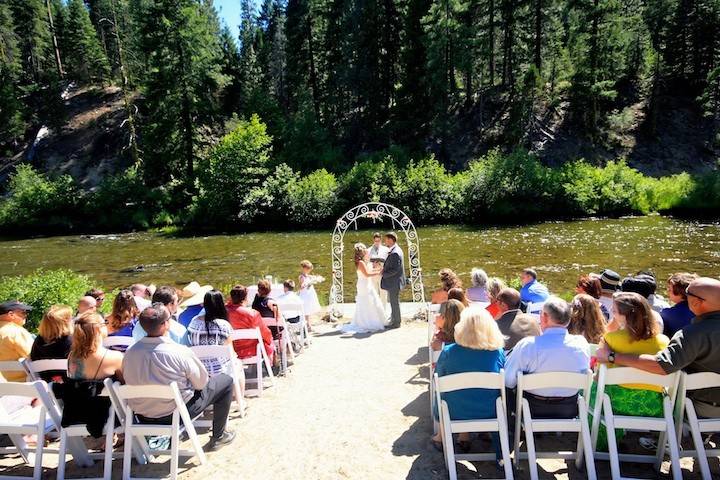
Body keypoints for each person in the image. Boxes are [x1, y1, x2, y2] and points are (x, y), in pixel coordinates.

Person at [596, 277, 720, 419]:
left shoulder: (692, 334)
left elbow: (661, 365)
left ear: (697, 302)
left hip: (701, 407)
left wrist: (612, 356)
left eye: (687, 294)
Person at [123, 304, 236, 451]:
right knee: (226, 381)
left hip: (142, 416)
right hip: (175, 414)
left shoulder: (130, 353)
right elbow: (201, 384)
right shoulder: (179, 351)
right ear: (165, 324)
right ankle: (219, 436)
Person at [593, 292, 670, 450]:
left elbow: (599, 376)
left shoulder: (612, 340)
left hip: (616, 405)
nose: (612, 314)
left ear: (624, 316)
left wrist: (608, 336)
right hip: (653, 407)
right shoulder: (664, 341)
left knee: (591, 389)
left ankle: (601, 444)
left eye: (614, 311)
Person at [431, 307, 505, 453]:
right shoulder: (497, 353)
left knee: (444, 393)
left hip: (455, 411)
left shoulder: (449, 352)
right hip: (489, 411)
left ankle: (442, 436)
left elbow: (437, 381)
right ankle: (470, 435)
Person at [505, 297, 590, 421]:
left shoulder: (528, 345)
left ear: (544, 317)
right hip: (568, 409)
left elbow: (508, 380)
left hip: (532, 409)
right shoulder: (582, 344)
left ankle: (511, 429)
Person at [60, 312, 124, 440]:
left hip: (76, 413)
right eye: (104, 322)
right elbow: (124, 386)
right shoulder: (114, 357)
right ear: (98, 329)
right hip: (105, 416)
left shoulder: (71, 357)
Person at [340, 243, 386, 333]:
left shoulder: (364, 261)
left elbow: (369, 271)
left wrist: (378, 270)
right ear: (362, 252)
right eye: (365, 249)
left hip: (367, 284)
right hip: (364, 285)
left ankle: (374, 320)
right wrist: (378, 273)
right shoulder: (360, 263)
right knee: (366, 302)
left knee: (372, 301)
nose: (366, 251)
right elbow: (367, 274)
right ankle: (366, 322)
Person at [188, 290, 234, 376]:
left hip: (200, 371)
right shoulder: (223, 325)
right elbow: (230, 352)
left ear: (204, 304)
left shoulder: (194, 322)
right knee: (238, 365)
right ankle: (237, 390)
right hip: (220, 371)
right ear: (221, 304)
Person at [225, 285, 274, 361]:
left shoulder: (224, 311)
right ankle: (271, 365)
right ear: (245, 298)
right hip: (251, 350)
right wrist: (270, 341)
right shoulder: (252, 314)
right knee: (269, 342)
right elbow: (265, 333)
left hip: (231, 349)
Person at [30, 305, 74, 382]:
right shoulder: (71, 341)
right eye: (71, 318)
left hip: (47, 385)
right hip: (69, 386)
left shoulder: (38, 341)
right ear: (66, 322)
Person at [0, 301, 34, 381]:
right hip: (28, 384)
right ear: (11, 315)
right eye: (23, 312)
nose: (25, 315)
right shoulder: (16, 332)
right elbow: (33, 357)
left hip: (5, 385)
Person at [661, 272, 698, 338]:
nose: (667, 291)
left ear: (680, 293)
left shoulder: (667, 314)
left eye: (669, 289)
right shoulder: (704, 310)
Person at [381, 232, 406, 329]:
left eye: (386, 239)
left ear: (391, 240)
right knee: (393, 301)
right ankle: (394, 319)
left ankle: (396, 322)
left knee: (394, 302)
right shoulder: (395, 249)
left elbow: (395, 269)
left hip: (394, 282)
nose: (385, 241)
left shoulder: (395, 252)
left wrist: (383, 273)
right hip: (395, 281)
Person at [298, 260, 322, 330]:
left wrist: (317, 279)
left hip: (309, 294)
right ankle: (307, 326)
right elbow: (301, 287)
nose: (309, 271)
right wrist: (306, 284)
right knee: (306, 310)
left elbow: (314, 278)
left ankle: (308, 325)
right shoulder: (301, 277)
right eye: (308, 269)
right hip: (305, 295)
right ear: (304, 269)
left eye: (310, 269)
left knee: (309, 310)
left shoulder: (308, 276)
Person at [369, 232, 390, 305]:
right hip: (373, 275)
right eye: (375, 241)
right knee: (374, 294)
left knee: (383, 294)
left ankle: (383, 311)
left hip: (383, 275)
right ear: (373, 240)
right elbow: (366, 263)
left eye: (378, 241)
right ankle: (375, 312)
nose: (377, 242)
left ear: (381, 240)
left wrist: (381, 265)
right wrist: (373, 264)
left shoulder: (386, 250)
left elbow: (389, 262)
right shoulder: (368, 250)